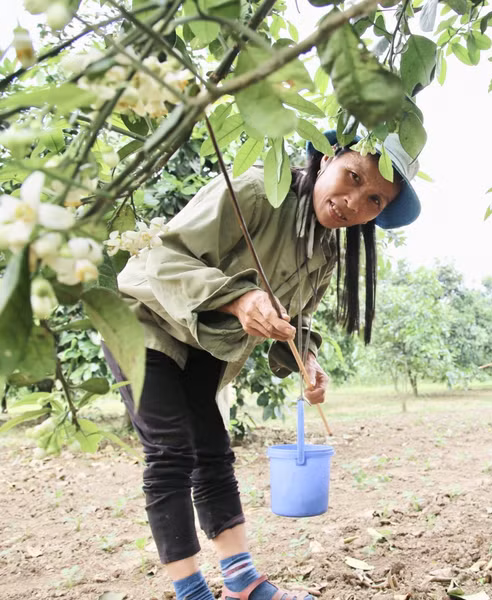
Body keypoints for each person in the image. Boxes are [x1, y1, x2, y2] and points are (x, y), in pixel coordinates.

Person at [103, 131, 421, 600]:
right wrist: (237, 298)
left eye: (374, 199)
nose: (354, 202)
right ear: (326, 157)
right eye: (352, 177)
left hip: (207, 343)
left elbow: (298, 317)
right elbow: (163, 255)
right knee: (171, 451)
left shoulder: (326, 253)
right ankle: (191, 591)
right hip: (144, 320)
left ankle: (242, 582)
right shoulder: (255, 191)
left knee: (212, 451)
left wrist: (308, 363)